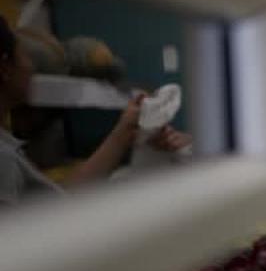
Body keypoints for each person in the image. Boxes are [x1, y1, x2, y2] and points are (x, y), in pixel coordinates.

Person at [0, 17, 190, 207]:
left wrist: (124, 132)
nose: (31, 67)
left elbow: (58, 202)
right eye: (24, 55)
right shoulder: (4, 162)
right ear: (5, 68)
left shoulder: (6, 149)